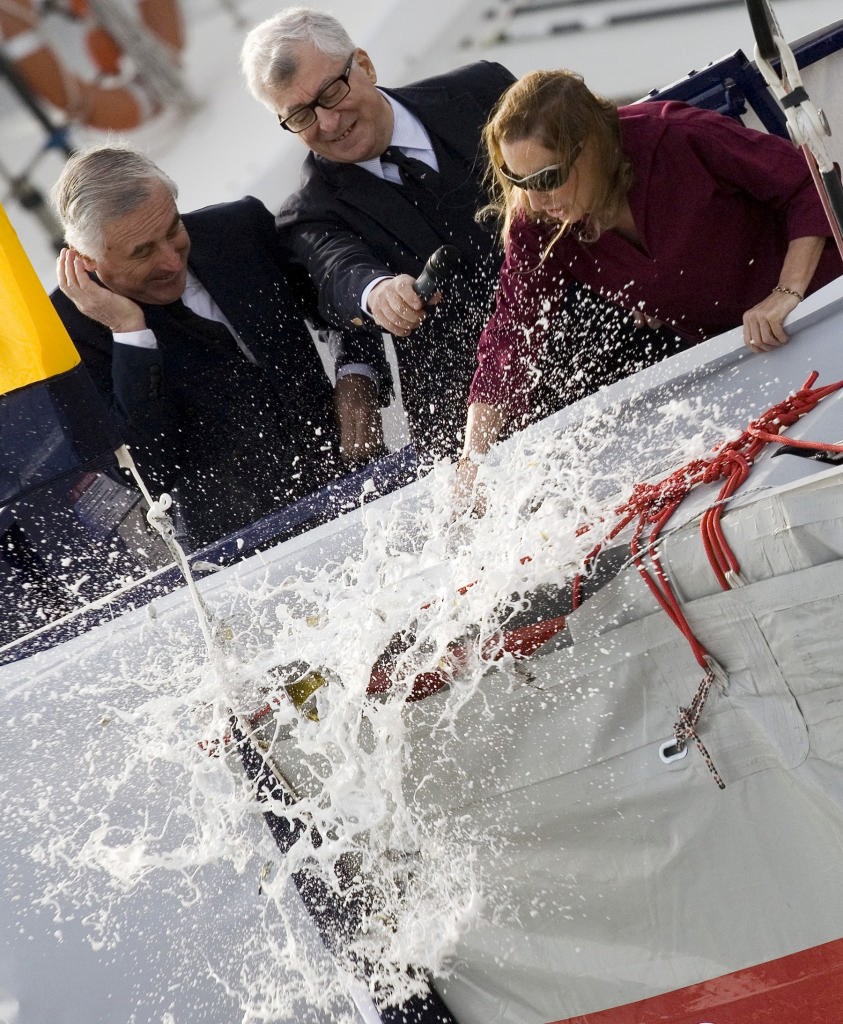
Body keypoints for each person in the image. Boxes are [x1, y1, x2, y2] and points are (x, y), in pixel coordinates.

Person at [457, 69, 843, 489]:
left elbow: (807, 180)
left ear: (592, 147)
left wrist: (786, 292)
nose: (534, 199)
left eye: (547, 179)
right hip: (742, 356)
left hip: (824, 309)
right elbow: (512, 331)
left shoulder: (675, 134)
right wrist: (473, 458)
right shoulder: (535, 217)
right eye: (517, 181)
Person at [50, 143, 364, 547]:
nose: (170, 261)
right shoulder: (67, 338)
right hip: (246, 553)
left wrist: (357, 377)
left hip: (359, 483)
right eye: (142, 251)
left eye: (172, 230)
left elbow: (342, 305)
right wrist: (129, 333)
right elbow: (148, 473)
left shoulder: (239, 229)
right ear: (87, 260)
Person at [240, 7, 516, 461]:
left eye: (331, 92)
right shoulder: (307, 214)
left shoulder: (483, 91)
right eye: (300, 117)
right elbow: (337, 271)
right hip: (474, 434)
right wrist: (380, 294)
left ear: (364, 65)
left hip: (623, 344)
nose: (328, 124)